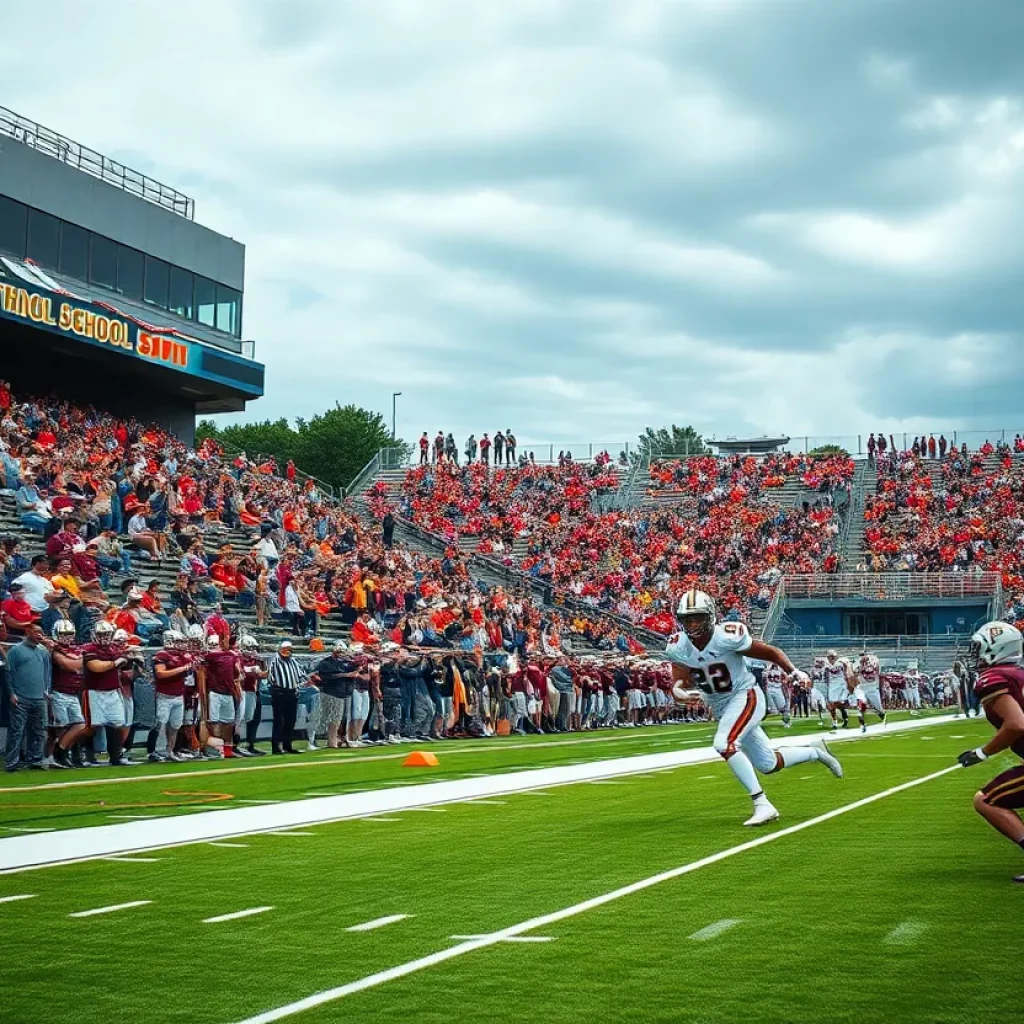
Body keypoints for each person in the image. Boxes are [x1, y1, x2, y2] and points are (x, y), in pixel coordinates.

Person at [665, 588, 842, 826]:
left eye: (697, 617)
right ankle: (815, 751)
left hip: (745, 695)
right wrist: (678, 690)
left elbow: (770, 652)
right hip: (721, 706)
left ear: (710, 616)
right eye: (687, 618)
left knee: (724, 744)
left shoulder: (727, 636)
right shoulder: (678, 645)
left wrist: (794, 671)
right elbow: (681, 675)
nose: (692, 623)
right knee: (767, 764)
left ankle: (762, 804)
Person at [955, 621, 1024, 883]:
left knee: (986, 800)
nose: (976, 654)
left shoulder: (994, 678)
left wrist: (981, 753)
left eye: (979, 648)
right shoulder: (1017, 674)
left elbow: (1017, 724)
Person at [4, 624, 51, 772]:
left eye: (41, 632)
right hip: (21, 697)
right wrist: (11, 693)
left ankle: (35, 759)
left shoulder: (43, 652)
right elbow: (9, 672)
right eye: (37, 632)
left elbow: (46, 672)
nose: (40, 635)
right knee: (17, 730)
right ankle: (11, 761)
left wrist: (46, 690)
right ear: (28, 632)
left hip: (39, 697)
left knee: (38, 730)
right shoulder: (16, 650)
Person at [48, 619, 86, 768]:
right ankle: (51, 756)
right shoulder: (55, 649)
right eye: (63, 634)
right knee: (60, 727)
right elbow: (70, 665)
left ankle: (62, 751)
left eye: (69, 634)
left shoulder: (75, 649)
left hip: (72, 692)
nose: (67, 637)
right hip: (58, 692)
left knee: (79, 724)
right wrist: (81, 660)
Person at [151, 630, 192, 762]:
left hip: (178, 695)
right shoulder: (162, 654)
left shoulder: (182, 656)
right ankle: (155, 751)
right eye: (178, 641)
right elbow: (160, 673)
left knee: (175, 725)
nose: (181, 644)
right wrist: (183, 669)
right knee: (161, 724)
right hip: (164, 695)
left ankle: (169, 751)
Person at [199, 634, 241, 758]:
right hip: (215, 692)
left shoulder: (232, 656)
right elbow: (202, 667)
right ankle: (215, 748)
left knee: (228, 722)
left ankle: (227, 749)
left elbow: (236, 673)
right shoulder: (211, 656)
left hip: (228, 692)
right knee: (214, 722)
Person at [267, 639, 304, 755]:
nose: (287, 651)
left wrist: (304, 683)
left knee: (291, 720)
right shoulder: (274, 660)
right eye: (285, 649)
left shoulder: (293, 661)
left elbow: (301, 675)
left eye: (289, 649)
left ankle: (287, 745)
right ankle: (276, 747)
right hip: (279, 692)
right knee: (279, 720)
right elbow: (269, 674)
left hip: (292, 692)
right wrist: (275, 685)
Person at [854, 652, 887, 729]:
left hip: (872, 687)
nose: (863, 658)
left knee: (879, 708)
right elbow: (855, 673)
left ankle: (884, 719)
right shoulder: (856, 664)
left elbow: (878, 672)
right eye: (862, 656)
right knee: (861, 706)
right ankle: (862, 724)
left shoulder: (873, 662)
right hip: (861, 688)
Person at [823, 649, 851, 731]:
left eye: (833, 656)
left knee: (840, 703)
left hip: (841, 684)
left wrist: (848, 681)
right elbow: (826, 676)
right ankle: (834, 722)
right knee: (832, 705)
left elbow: (847, 671)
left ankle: (845, 718)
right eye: (830, 656)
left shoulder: (841, 662)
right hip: (832, 685)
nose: (831, 658)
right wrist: (827, 685)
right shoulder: (826, 665)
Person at [763, 661, 791, 728]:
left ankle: (787, 722)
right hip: (769, 688)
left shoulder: (780, 669)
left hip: (777, 688)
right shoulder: (766, 667)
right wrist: (768, 669)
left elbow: (787, 677)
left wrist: (784, 681)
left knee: (782, 707)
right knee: (770, 709)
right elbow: (763, 676)